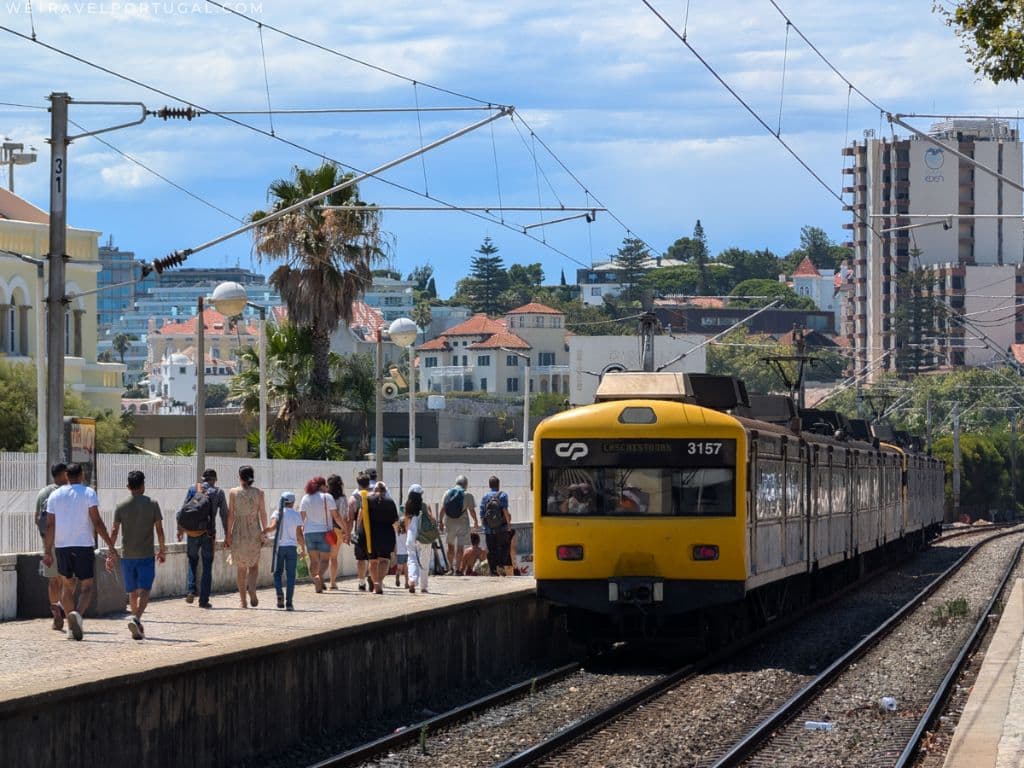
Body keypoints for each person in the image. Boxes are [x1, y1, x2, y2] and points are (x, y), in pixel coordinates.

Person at [42, 463, 119, 641]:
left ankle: (71, 625)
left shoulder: (55, 495)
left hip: (61, 547)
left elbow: (50, 525)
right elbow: (97, 522)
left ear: (66, 476)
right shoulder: (88, 493)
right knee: (87, 587)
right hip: (83, 546)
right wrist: (110, 545)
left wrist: (48, 550)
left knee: (67, 586)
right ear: (82, 475)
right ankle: (77, 614)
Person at [109, 471, 166, 640]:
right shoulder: (153, 504)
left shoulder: (120, 506)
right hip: (146, 555)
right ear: (143, 485)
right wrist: (162, 550)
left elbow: (114, 531)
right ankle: (137, 618)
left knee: (132, 592)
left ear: (128, 487)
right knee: (146, 590)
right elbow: (160, 531)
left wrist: (111, 553)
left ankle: (137, 625)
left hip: (127, 556)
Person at [178, 468, 227, 609]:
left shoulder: (193, 489)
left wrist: (180, 530)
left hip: (192, 533)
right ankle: (204, 600)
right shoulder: (218, 492)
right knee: (207, 566)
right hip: (209, 534)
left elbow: (183, 510)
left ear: (203, 478)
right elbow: (224, 515)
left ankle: (191, 590)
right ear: (215, 479)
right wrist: (227, 536)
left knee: (192, 561)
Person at [226, 465, 268, 609]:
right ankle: (252, 588)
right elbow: (263, 514)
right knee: (254, 565)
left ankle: (243, 601)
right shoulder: (259, 493)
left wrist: (228, 535)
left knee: (241, 567)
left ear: (240, 476)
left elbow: (230, 515)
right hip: (254, 531)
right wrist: (265, 532)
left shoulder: (233, 492)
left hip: (238, 532)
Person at [35, 462, 69, 630]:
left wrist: (45, 539)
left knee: (53, 580)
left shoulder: (43, 493)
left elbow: (36, 519)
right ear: (63, 474)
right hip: (64, 541)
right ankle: (63, 610)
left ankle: (56, 613)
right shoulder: (65, 493)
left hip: (47, 542)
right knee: (66, 579)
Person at [299, 476, 343, 594]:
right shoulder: (327, 497)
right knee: (324, 559)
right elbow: (336, 516)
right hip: (325, 532)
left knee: (313, 561)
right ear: (322, 486)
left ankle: (315, 580)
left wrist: (298, 533)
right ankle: (319, 576)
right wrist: (345, 529)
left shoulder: (305, 498)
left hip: (309, 533)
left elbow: (301, 519)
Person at [264, 492, 305, 610]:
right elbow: (299, 535)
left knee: (277, 573)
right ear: (292, 502)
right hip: (292, 548)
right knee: (291, 576)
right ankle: (289, 603)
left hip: (279, 548)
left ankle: (279, 594)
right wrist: (303, 548)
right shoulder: (296, 515)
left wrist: (262, 532)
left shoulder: (277, 513)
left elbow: (272, 528)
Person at [363, 481, 399, 595]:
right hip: (386, 533)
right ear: (385, 491)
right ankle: (379, 581)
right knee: (384, 559)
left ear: (375, 490)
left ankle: (375, 584)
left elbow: (362, 516)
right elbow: (395, 521)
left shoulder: (368, 501)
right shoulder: (390, 502)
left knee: (372, 561)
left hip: (371, 534)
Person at [441, 475, 478, 575]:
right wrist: (475, 521)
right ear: (466, 484)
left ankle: (450, 568)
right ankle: (458, 570)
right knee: (460, 547)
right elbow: (472, 511)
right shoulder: (467, 495)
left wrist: (440, 521)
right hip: (462, 522)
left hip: (449, 521)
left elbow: (443, 509)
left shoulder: (447, 493)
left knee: (450, 546)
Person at [405, 484, 436, 594]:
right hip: (425, 536)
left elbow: (406, 523)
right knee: (425, 561)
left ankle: (412, 580)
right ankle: (424, 587)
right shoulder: (424, 505)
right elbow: (433, 519)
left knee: (412, 558)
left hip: (412, 535)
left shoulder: (408, 506)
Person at [480, 475, 512, 576]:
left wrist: (484, 526)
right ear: (498, 484)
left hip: (489, 529)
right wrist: (509, 524)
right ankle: (501, 566)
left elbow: (482, 513)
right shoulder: (503, 495)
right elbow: (505, 510)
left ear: (489, 485)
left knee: (491, 549)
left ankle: (493, 570)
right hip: (501, 528)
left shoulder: (485, 497)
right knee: (502, 547)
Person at [348, 471, 374, 591]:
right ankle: (373, 578)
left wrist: (349, 533)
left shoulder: (353, 499)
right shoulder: (375, 496)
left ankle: (361, 582)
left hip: (360, 531)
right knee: (373, 558)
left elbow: (350, 519)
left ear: (358, 483)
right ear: (369, 483)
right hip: (374, 530)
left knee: (360, 558)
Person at [325, 475, 348, 590]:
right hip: (336, 530)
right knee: (333, 557)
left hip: (323, 529)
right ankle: (332, 582)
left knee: (321, 556)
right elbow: (343, 515)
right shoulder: (342, 499)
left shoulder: (324, 497)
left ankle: (318, 578)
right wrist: (345, 531)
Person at [394, 514, 409, 589]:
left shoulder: (397, 531)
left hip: (400, 552)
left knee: (399, 568)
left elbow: (394, 523)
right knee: (406, 569)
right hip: (407, 552)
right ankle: (406, 583)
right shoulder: (408, 531)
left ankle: (397, 577)